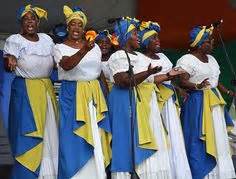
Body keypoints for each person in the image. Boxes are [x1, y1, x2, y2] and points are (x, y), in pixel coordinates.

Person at [108, 17, 172, 179]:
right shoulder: (118, 56)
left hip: (143, 102)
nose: (138, 37)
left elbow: (151, 79)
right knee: (125, 138)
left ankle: (144, 172)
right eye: (135, 33)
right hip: (124, 100)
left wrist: (170, 75)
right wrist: (147, 73)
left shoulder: (141, 57)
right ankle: (124, 173)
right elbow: (123, 82)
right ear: (126, 36)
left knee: (144, 137)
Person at [53, 5, 111, 179]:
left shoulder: (96, 48)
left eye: (79, 25)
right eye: (73, 24)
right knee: (72, 137)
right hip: (72, 93)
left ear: (83, 28)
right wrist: (84, 49)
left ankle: (96, 174)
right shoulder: (59, 48)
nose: (76, 28)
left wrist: (106, 97)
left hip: (94, 94)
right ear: (67, 27)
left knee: (95, 133)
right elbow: (67, 65)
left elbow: (99, 73)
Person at [3, 4, 58, 179]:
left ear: (38, 22)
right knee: (28, 134)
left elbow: (57, 61)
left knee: (49, 131)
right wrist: (10, 58)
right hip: (25, 92)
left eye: (33, 18)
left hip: (46, 90)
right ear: (21, 22)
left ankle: (48, 173)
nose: (30, 21)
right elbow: (8, 63)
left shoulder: (47, 40)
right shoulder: (15, 40)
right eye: (26, 18)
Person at [176, 25, 236, 179]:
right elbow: (182, 81)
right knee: (197, 138)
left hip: (214, 102)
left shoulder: (213, 59)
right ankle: (201, 173)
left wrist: (228, 92)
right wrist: (197, 85)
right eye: (208, 41)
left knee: (217, 135)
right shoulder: (187, 59)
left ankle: (219, 173)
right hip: (197, 102)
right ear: (199, 43)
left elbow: (215, 81)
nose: (212, 43)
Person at [139, 21, 192, 179]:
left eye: (158, 38)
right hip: (154, 99)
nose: (158, 41)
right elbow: (150, 79)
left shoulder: (162, 55)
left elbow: (171, 76)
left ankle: (175, 172)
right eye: (153, 39)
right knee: (159, 135)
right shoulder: (141, 59)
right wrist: (170, 75)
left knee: (173, 135)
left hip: (168, 98)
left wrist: (178, 88)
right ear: (146, 42)